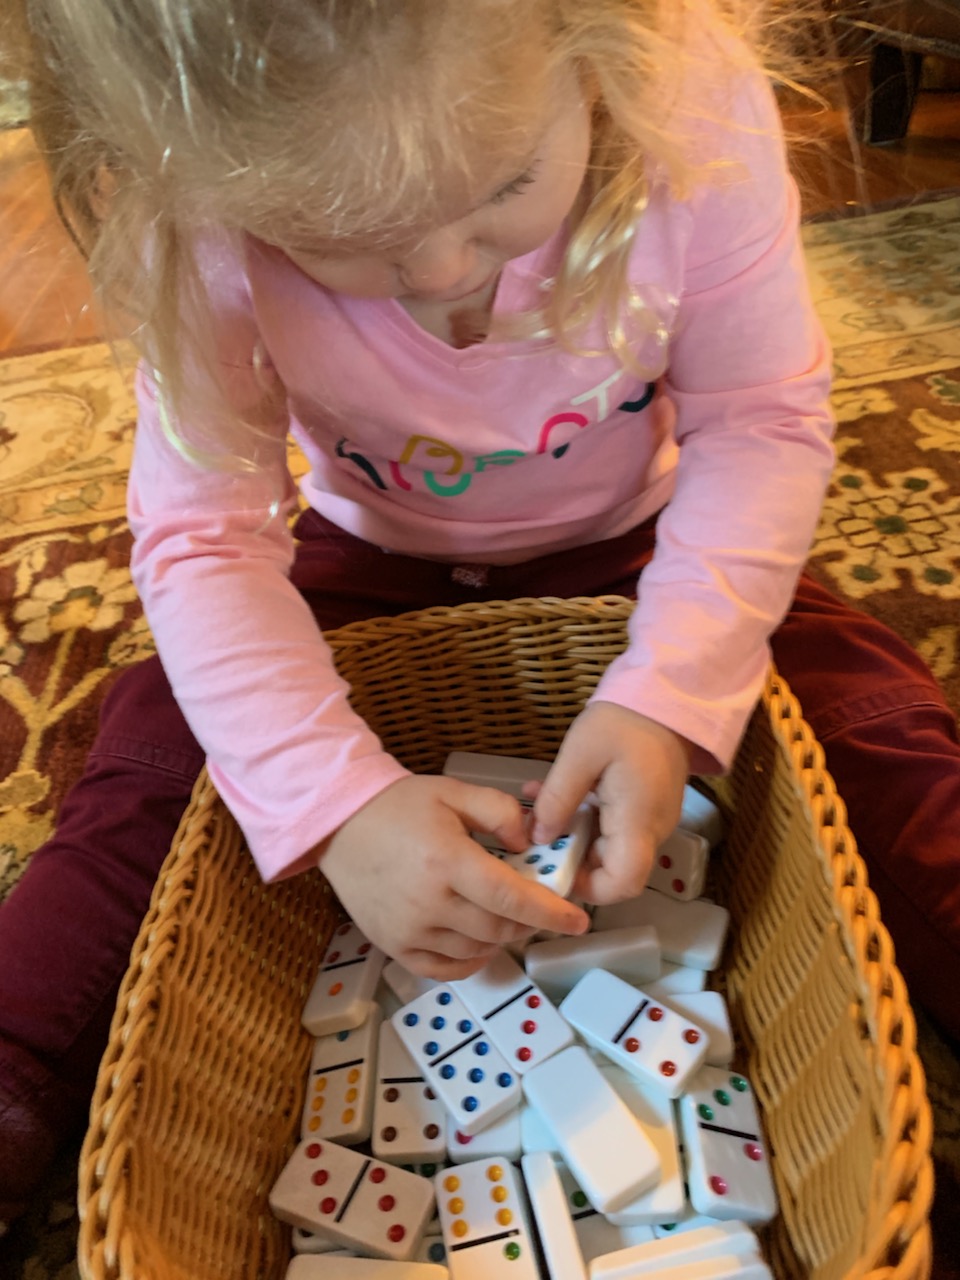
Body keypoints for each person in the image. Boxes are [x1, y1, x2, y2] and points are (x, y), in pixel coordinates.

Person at [2, 0, 958, 1224]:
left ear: (597, 49)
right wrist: (336, 803)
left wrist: (672, 688)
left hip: (648, 541)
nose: (448, 274)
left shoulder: (689, 109)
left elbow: (762, 420)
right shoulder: (195, 212)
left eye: (505, 183)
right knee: (153, 749)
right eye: (339, 236)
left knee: (864, 715)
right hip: (365, 564)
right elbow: (204, 534)